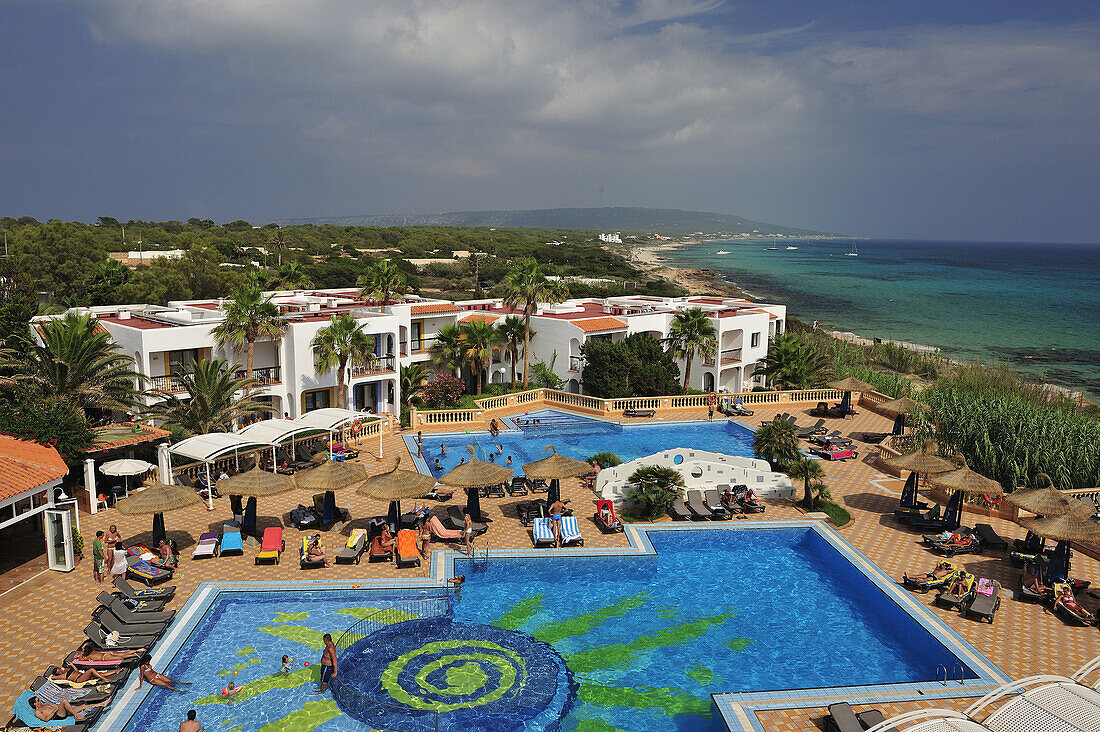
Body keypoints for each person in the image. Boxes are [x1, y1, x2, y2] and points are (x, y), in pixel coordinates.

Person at [30, 696, 108, 722]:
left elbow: (56, 706)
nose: (40, 701)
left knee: (83, 706)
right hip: (56, 716)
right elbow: (46, 719)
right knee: (64, 701)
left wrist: (68, 707)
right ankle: (76, 715)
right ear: (34, 704)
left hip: (61, 711)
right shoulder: (37, 712)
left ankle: (101, 704)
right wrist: (53, 711)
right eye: (38, 700)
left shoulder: (46, 704)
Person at [50, 664, 119, 685]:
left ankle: (115, 671)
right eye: (58, 672)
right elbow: (52, 677)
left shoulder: (66, 669)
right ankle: (104, 679)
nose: (60, 672)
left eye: (59, 670)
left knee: (99, 673)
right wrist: (56, 676)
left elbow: (76, 671)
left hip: (82, 675)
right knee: (91, 670)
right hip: (79, 679)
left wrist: (72, 665)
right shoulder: (61, 676)